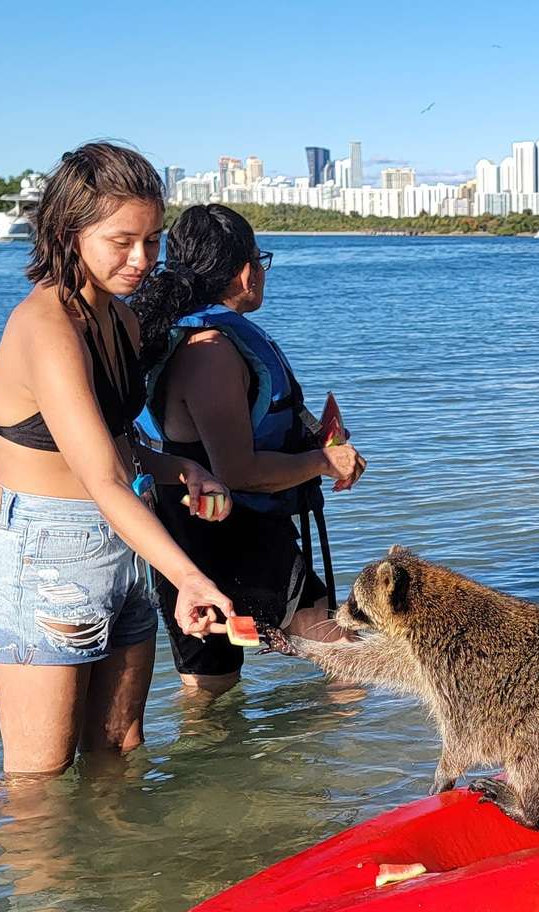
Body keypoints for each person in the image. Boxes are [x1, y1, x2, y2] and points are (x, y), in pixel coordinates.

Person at [0, 142, 236, 775]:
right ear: (69, 233)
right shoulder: (45, 327)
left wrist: (181, 468)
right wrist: (189, 577)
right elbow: (101, 477)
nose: (142, 260)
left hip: (120, 544)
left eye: (153, 240)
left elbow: (115, 446)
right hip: (45, 554)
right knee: (38, 778)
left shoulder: (119, 319)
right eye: (122, 242)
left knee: (119, 751)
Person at [131, 204, 366, 696]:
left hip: (182, 537)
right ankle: (350, 747)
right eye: (261, 260)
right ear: (246, 272)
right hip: (233, 536)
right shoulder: (212, 351)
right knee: (351, 659)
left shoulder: (182, 337)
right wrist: (324, 462)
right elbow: (238, 471)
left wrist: (313, 444)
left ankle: (226, 755)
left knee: (209, 691)